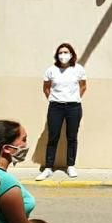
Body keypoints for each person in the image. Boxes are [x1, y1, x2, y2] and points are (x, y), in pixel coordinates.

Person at [36, 42, 87, 181]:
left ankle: (70, 165)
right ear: (57, 55)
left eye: (66, 52)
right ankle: (48, 167)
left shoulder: (78, 69)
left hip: (73, 107)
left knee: (72, 136)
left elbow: (83, 86)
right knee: (53, 136)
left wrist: (74, 98)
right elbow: (46, 87)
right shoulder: (51, 70)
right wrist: (53, 99)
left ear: (71, 54)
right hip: (55, 107)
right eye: (60, 52)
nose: (63, 55)